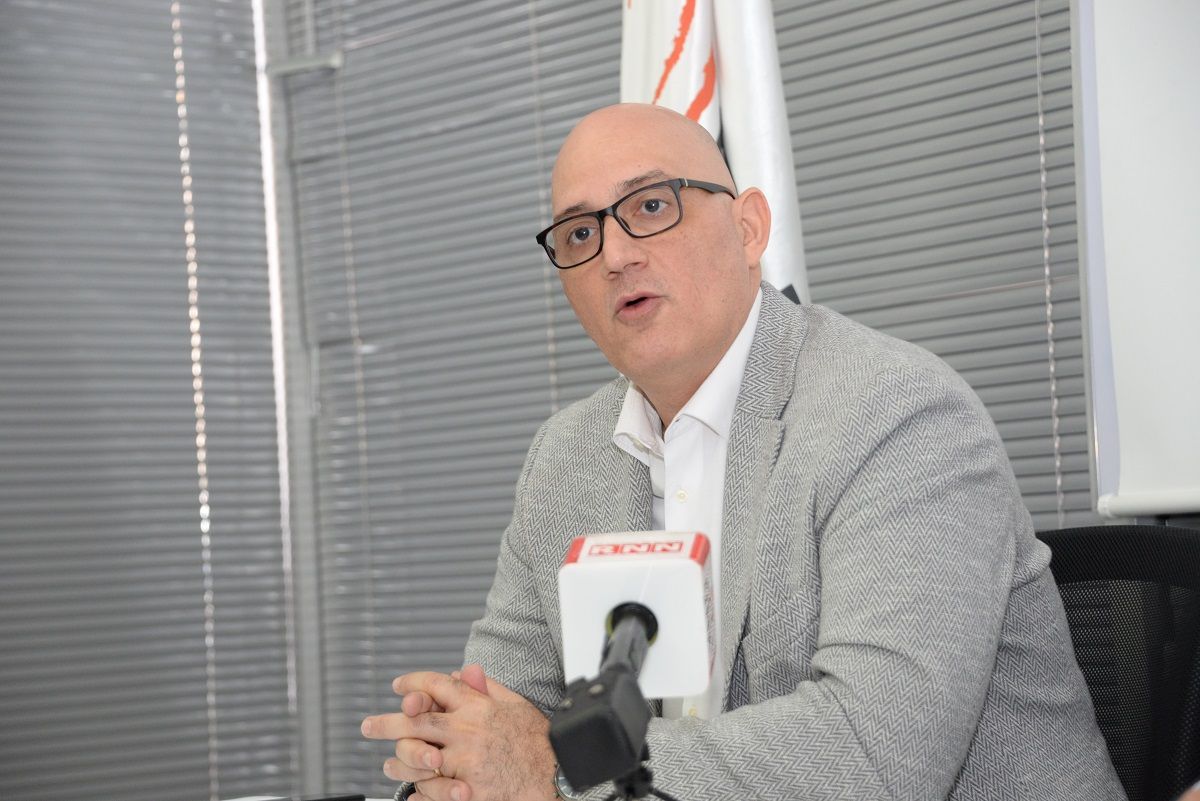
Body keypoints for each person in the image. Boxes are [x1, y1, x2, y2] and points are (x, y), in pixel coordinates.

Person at [361, 103, 1125, 801]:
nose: (615, 254)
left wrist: (556, 769)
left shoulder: (895, 411)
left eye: (650, 206)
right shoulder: (565, 458)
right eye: (580, 233)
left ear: (749, 228)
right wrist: (452, 770)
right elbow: (498, 710)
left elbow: (875, 756)